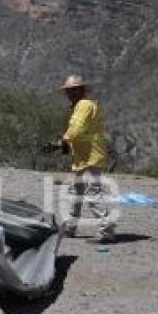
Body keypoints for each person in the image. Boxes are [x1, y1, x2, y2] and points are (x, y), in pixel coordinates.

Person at [59, 74, 116, 243]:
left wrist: (64, 140)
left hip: (90, 158)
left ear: (82, 91)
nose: (70, 94)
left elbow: (76, 129)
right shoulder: (80, 106)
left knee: (92, 194)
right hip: (84, 158)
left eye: (73, 90)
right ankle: (70, 227)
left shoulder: (84, 105)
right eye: (68, 91)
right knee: (75, 194)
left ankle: (106, 232)